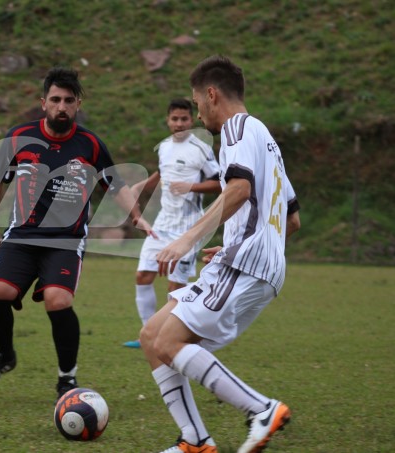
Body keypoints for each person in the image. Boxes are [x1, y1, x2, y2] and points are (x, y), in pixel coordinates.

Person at [140, 55, 301, 453]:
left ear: (212, 95)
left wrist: (188, 239)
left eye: (197, 104)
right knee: (151, 336)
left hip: (247, 265)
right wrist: (236, 245)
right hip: (254, 263)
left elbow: (239, 190)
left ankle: (261, 409)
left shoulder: (235, 129)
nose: (197, 114)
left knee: (170, 343)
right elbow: (292, 219)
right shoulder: (265, 139)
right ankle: (195, 441)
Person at [0, 67, 154, 400]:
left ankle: (67, 378)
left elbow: (115, 184)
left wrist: (137, 217)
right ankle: (5, 354)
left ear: (78, 104)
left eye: (68, 101)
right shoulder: (18, 137)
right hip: (21, 236)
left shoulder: (90, 145)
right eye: (55, 100)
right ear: (43, 102)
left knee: (59, 300)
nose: (61, 106)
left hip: (66, 240)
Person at [123, 99, 221, 349]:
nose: (179, 124)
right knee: (143, 275)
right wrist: (139, 186)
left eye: (184, 119)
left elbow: (221, 184)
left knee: (176, 286)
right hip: (162, 224)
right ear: (168, 121)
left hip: (187, 227)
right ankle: (148, 334)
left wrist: (191, 186)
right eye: (174, 119)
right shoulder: (164, 147)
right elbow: (162, 173)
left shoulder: (201, 148)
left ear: (191, 120)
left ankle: (175, 336)